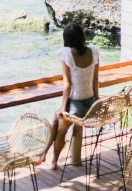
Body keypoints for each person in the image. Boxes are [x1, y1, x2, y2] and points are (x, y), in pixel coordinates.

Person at [41, 22, 99, 169]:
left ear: (66, 38)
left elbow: (67, 84)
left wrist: (63, 109)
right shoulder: (93, 51)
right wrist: (96, 99)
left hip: (75, 106)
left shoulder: (66, 54)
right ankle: (44, 154)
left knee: (61, 130)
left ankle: (53, 161)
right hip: (91, 104)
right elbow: (95, 79)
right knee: (56, 119)